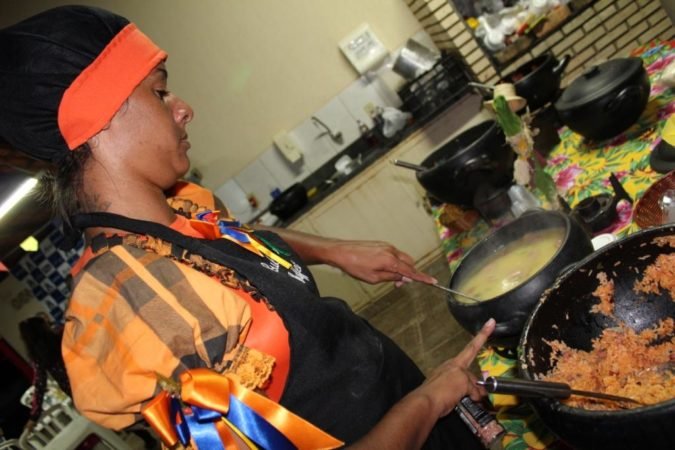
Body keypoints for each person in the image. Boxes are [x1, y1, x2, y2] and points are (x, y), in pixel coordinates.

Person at [0, 6, 495, 449]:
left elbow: (230, 241)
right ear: (99, 120)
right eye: (159, 91)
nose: (183, 107)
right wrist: (428, 403)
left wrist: (335, 251)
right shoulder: (136, 302)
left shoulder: (172, 214)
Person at [17, 315, 72, 434]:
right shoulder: (61, 336)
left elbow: (39, 384)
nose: (50, 326)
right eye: (47, 325)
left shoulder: (38, 356)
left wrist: (34, 417)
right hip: (91, 381)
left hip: (76, 391)